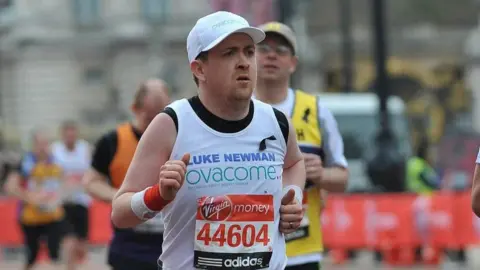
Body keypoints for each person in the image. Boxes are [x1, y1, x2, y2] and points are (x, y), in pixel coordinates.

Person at [110, 11, 306, 270]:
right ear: (199, 69)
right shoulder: (172, 124)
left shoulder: (277, 122)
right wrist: (158, 195)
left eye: (248, 52)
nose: (244, 62)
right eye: (229, 54)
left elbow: (294, 163)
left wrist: (292, 196)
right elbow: (120, 213)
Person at [254, 21, 349, 270]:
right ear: (252, 57)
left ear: (293, 63)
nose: (272, 55)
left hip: (302, 252)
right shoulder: (235, 110)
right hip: (248, 249)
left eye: (281, 50)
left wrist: (320, 174)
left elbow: (342, 177)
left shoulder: (316, 111)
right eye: (263, 48)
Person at [83, 79, 170, 270]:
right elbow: (91, 182)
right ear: (135, 109)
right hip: (130, 243)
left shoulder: (179, 138)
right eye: (149, 118)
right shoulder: (112, 141)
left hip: (172, 240)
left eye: (161, 117)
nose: (154, 126)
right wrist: (127, 199)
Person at [4, 129, 68, 270]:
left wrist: (57, 197)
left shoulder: (56, 162)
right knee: (31, 256)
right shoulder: (25, 163)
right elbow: (10, 187)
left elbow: (65, 184)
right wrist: (31, 197)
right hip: (30, 217)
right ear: (33, 145)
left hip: (53, 215)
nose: (44, 147)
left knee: (55, 255)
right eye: (40, 143)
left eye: (46, 143)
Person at [51, 120, 92, 269]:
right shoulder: (55, 150)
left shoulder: (85, 148)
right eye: (67, 134)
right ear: (62, 135)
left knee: (81, 246)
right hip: (63, 201)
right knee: (69, 239)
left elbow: (91, 172)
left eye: (72, 134)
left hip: (82, 200)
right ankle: (69, 266)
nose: (70, 137)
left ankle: (74, 263)